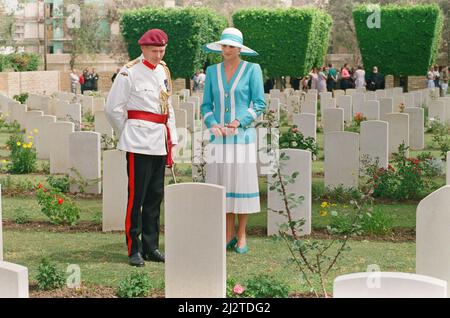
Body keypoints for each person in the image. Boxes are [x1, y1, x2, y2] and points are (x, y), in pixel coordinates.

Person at [105, 28, 178, 267]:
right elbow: (113, 109)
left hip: (159, 141)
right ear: (143, 49)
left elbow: (168, 109)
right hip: (138, 142)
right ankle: (133, 248)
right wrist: (127, 133)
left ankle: (151, 246)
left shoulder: (163, 71)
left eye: (162, 50)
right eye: (155, 50)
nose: (159, 55)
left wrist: (173, 141)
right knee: (136, 197)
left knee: (155, 197)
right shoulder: (129, 73)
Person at [201, 27, 266, 254]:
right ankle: (227, 233)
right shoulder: (211, 71)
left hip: (242, 137)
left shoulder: (252, 70)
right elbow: (206, 105)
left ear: (239, 49)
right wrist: (213, 124)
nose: (226, 49)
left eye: (231, 46)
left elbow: (259, 104)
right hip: (218, 139)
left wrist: (239, 121)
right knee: (223, 185)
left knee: (241, 184)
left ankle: (241, 234)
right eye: (223, 45)